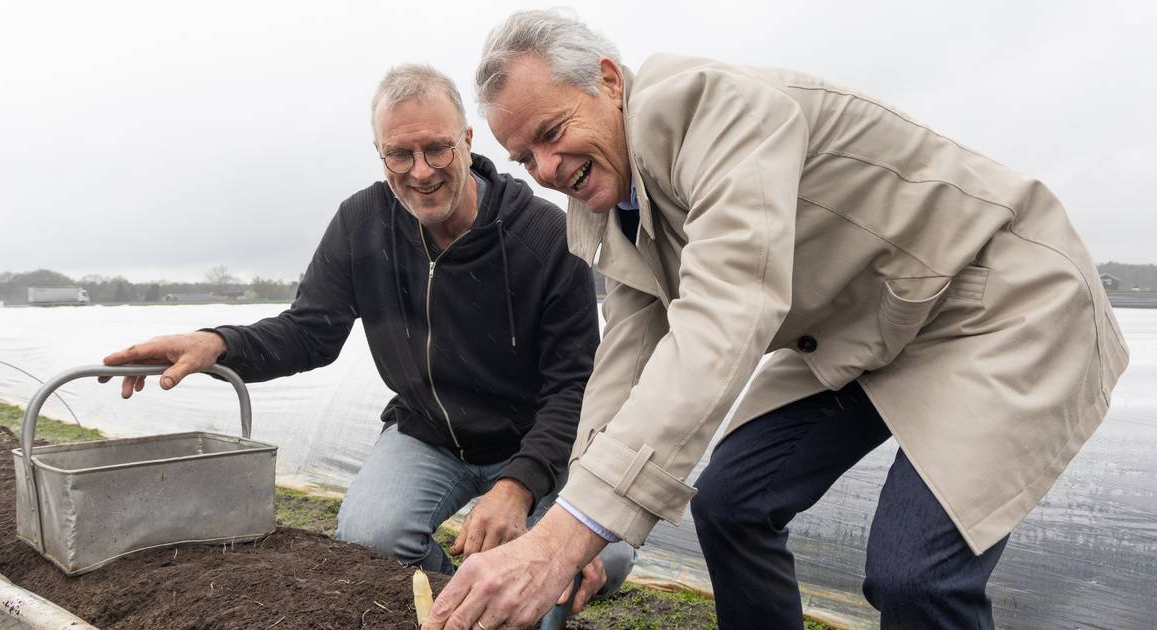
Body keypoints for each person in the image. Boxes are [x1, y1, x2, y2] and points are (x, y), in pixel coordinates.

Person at [423, 10, 1130, 630]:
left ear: (609, 81)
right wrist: (577, 520)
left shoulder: (711, 108)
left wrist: (560, 542)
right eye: (524, 158)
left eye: (552, 132)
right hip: (867, 326)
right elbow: (629, 354)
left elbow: (725, 313)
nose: (546, 167)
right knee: (732, 502)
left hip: (990, 300)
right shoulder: (606, 197)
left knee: (914, 574)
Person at [100, 64, 635, 615]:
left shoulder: (544, 235)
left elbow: (571, 385)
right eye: (399, 155)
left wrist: (520, 486)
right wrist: (217, 343)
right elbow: (310, 331)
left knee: (599, 552)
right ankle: (474, 591)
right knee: (368, 540)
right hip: (431, 435)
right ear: (380, 154)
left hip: (536, 439)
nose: (420, 172)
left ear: (468, 141)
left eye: (437, 149)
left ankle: (536, 575)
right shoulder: (363, 223)